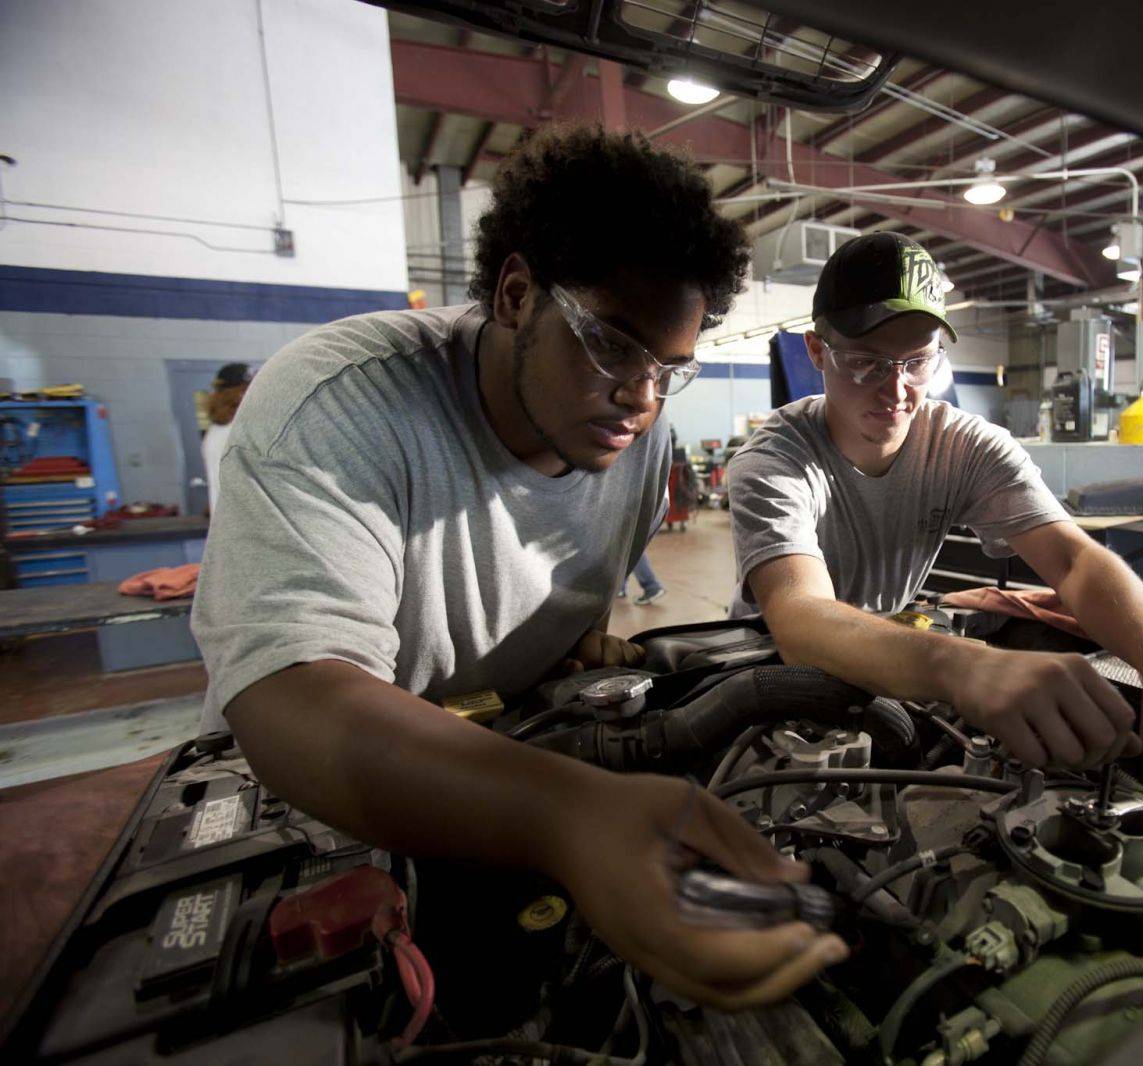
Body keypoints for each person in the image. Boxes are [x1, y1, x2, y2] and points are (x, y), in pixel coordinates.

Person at [190, 126, 847, 1011]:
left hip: (507, 775)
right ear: (513, 293)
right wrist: (567, 813)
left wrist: (578, 652)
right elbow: (293, 693)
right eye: (613, 346)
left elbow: (567, 606)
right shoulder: (343, 404)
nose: (642, 399)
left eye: (669, 370)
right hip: (316, 809)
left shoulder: (634, 446)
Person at [729, 233, 1143, 815]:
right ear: (817, 351)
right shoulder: (776, 461)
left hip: (894, 657)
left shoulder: (963, 446)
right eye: (865, 361)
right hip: (768, 680)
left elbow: (1073, 560)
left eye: (917, 361)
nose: (896, 390)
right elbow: (798, 616)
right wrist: (964, 666)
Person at [200, 362, 251, 515]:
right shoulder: (239, 429)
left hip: (227, 524)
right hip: (243, 523)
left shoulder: (215, 431)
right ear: (239, 394)